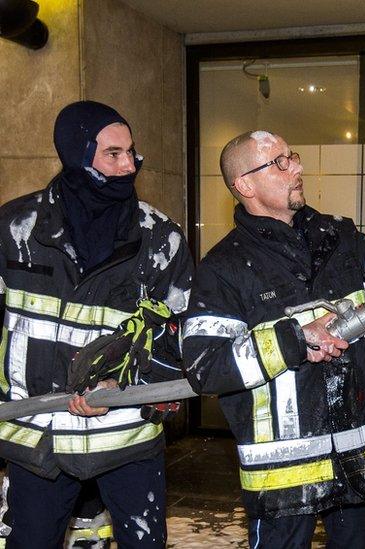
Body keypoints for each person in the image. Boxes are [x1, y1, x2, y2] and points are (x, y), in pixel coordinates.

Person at [181, 130, 365, 548]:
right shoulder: (223, 268)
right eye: (279, 163)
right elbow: (207, 366)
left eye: (292, 156)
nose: (296, 168)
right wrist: (295, 339)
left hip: (356, 455)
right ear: (245, 185)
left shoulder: (339, 236)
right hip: (284, 473)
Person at [0, 101, 193, 548]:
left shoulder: (160, 238)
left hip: (126, 438)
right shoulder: (15, 229)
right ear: (77, 154)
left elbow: (178, 337)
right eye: (113, 154)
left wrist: (120, 384)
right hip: (37, 439)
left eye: (132, 153)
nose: (128, 165)